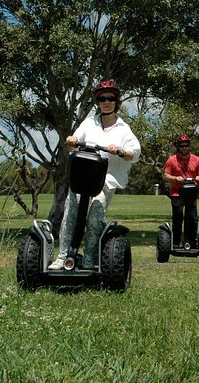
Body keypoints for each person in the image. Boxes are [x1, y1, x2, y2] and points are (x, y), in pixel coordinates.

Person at [48, 80, 141, 270]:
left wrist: (120, 151)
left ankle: (89, 258)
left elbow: (135, 153)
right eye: (102, 98)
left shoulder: (123, 129)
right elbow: (73, 142)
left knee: (94, 217)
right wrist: (71, 140)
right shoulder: (89, 123)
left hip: (106, 179)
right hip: (82, 175)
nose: (107, 102)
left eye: (111, 98)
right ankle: (63, 256)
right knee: (70, 213)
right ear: (97, 102)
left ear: (117, 101)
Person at [163, 134, 199, 248]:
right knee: (178, 216)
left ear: (189, 146)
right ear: (178, 147)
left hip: (191, 192)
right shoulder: (172, 160)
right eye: (182, 146)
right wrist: (175, 178)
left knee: (192, 217)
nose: (184, 148)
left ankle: (192, 242)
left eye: (186, 145)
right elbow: (166, 176)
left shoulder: (196, 160)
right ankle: (176, 242)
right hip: (177, 192)